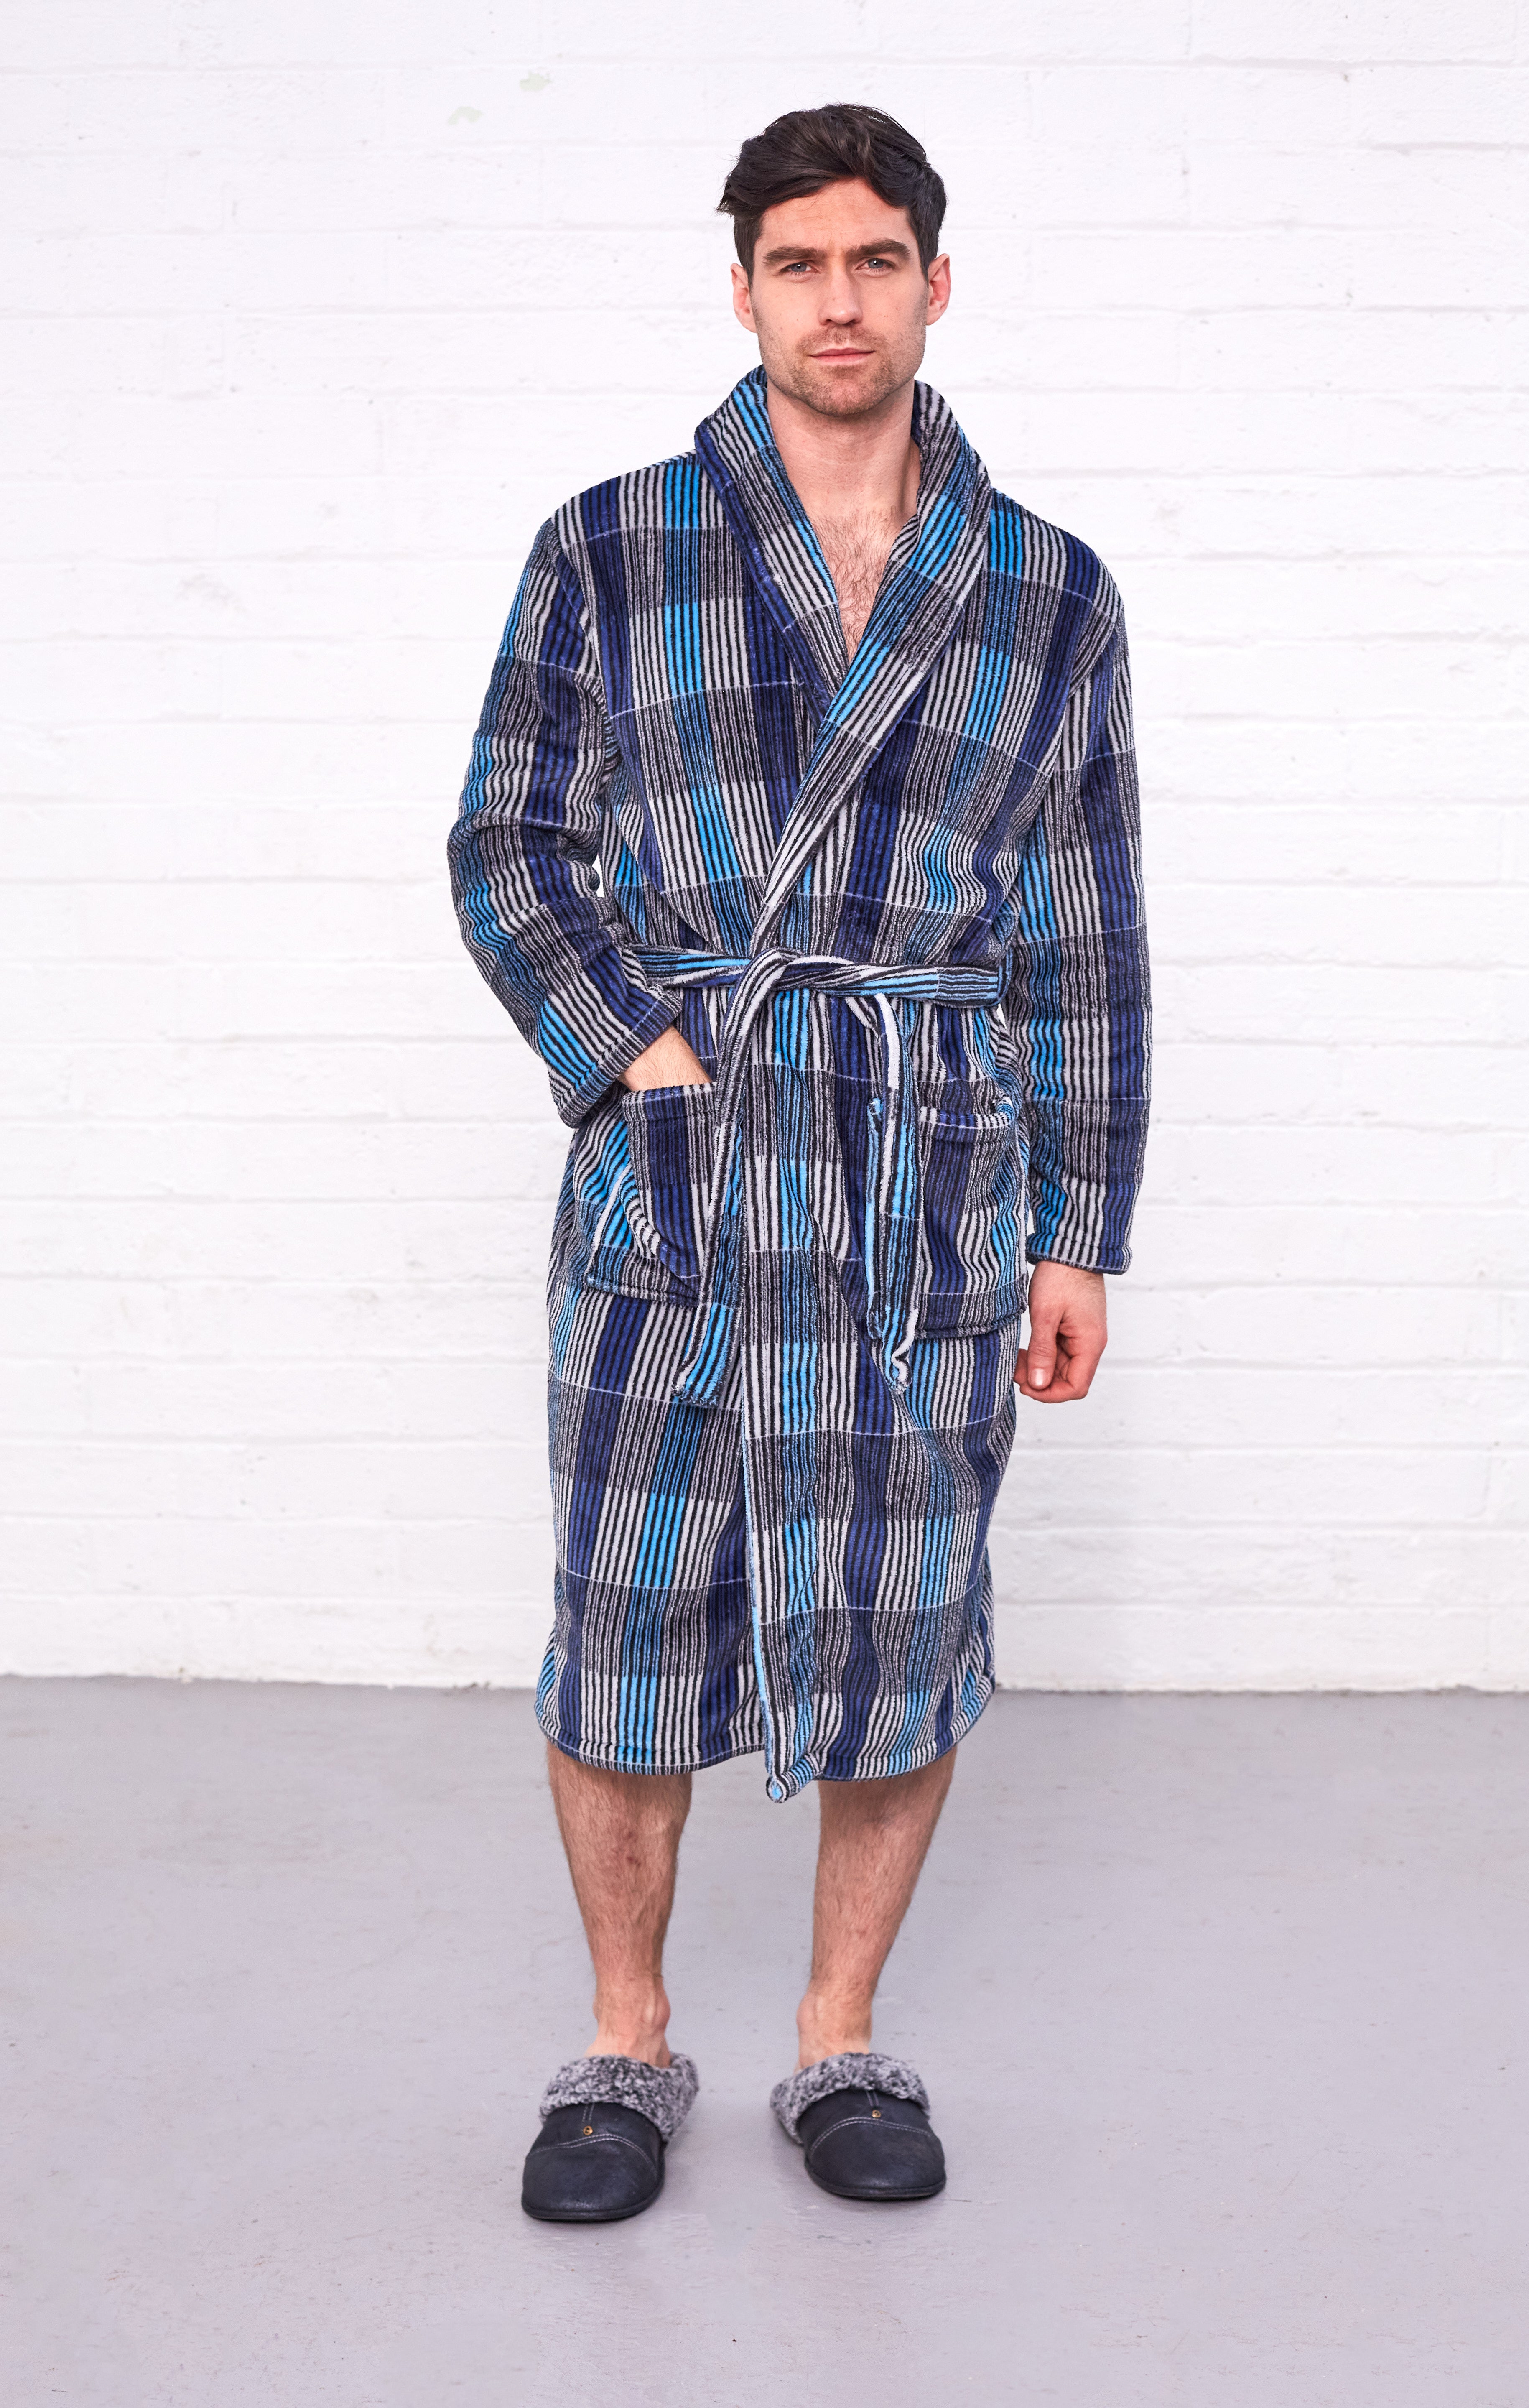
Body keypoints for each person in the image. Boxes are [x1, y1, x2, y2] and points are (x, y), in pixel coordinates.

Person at [448, 102, 1149, 2223]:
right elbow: (510, 844)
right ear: (742, 288)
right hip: (682, 1164)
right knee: (631, 1611)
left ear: (938, 279)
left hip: (927, 1174)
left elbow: (1084, 928)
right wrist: (645, 1058)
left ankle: (841, 2037)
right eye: (796, 265)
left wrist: (1077, 1230)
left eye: (874, 261)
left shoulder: (1046, 591)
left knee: (903, 1613)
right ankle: (626, 2039)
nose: (838, 303)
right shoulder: (611, 546)